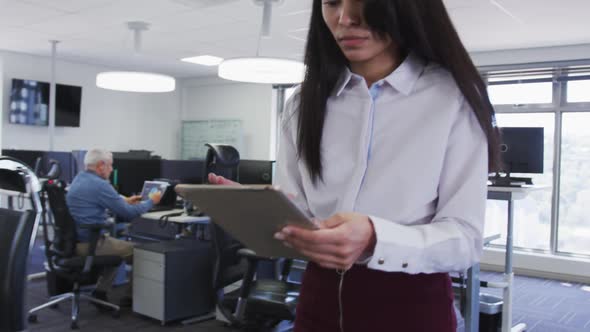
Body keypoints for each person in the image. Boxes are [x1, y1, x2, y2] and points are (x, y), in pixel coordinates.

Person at [209, 0, 501, 330]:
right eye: (332, 2)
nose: (344, 18)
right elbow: (301, 213)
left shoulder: (453, 98)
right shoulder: (302, 103)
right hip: (318, 303)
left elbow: (464, 241)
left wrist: (375, 238)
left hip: (411, 305)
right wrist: (265, 212)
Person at [66, 148, 161, 305]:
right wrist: (151, 201)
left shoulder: (79, 178)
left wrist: (124, 199)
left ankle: (100, 292)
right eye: (110, 166)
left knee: (116, 249)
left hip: (75, 241)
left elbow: (100, 197)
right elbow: (130, 213)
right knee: (140, 251)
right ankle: (131, 298)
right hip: (91, 244)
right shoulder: (100, 185)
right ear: (101, 165)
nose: (111, 170)